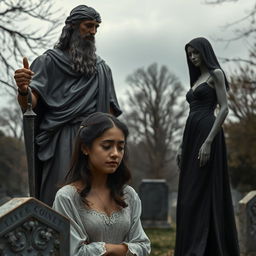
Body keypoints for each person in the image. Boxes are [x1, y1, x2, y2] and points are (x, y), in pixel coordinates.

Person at [14, 5, 122, 206]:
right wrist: (23, 89)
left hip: (94, 142)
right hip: (61, 142)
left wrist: (111, 146)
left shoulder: (102, 69)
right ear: (72, 27)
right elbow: (30, 104)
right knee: (59, 198)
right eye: (88, 26)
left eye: (96, 27)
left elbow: (110, 116)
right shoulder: (49, 62)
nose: (93, 32)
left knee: (93, 201)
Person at [52, 112, 151, 256]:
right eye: (107, 146)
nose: (115, 154)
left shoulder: (128, 195)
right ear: (85, 148)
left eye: (121, 147)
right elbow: (72, 252)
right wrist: (126, 249)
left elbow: (143, 247)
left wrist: (109, 249)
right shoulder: (67, 198)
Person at [175, 37, 239, 255]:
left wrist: (209, 141)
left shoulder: (215, 75)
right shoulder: (196, 80)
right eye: (190, 54)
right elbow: (190, 114)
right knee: (188, 196)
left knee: (203, 190)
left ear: (205, 52)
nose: (193, 57)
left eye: (196, 53)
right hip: (192, 135)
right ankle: (192, 246)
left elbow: (224, 109)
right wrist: (182, 146)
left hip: (207, 133)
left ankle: (206, 248)